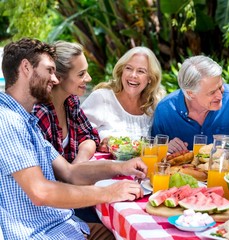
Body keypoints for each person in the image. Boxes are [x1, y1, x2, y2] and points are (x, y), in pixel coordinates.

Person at [0, 38, 147, 239]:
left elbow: (70, 172)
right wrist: (110, 192)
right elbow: (41, 192)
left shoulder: (26, 122)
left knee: (123, 232)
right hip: (41, 233)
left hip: (64, 225)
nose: (54, 79)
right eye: (49, 70)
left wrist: (121, 167)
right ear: (26, 68)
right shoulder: (8, 122)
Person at [151, 55, 229, 154]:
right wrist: (166, 147)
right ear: (190, 93)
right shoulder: (165, 109)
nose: (220, 96)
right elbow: (153, 148)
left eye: (220, 87)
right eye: (212, 92)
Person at [81, 46, 165, 152]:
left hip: (142, 167)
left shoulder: (153, 106)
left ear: (150, 78)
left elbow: (160, 142)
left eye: (141, 71)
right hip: (104, 166)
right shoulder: (102, 98)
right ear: (122, 71)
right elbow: (78, 133)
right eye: (128, 68)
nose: (133, 75)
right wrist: (98, 143)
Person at [33, 41, 100, 164]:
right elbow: (45, 168)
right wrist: (73, 172)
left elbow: (89, 136)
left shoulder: (71, 101)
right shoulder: (40, 113)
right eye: (81, 74)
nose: (89, 78)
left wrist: (79, 161)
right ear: (57, 78)